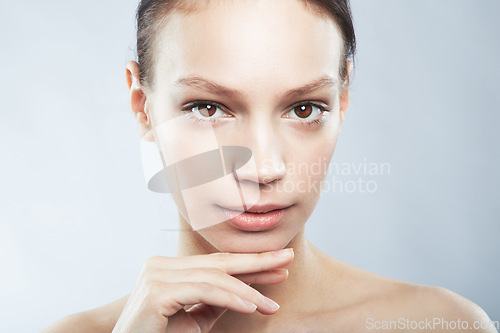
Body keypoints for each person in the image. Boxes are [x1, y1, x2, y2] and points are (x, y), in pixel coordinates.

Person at [44, 0, 497, 332]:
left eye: (304, 109)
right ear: (143, 107)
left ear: (341, 103)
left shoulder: (440, 325)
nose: (262, 168)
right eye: (207, 108)